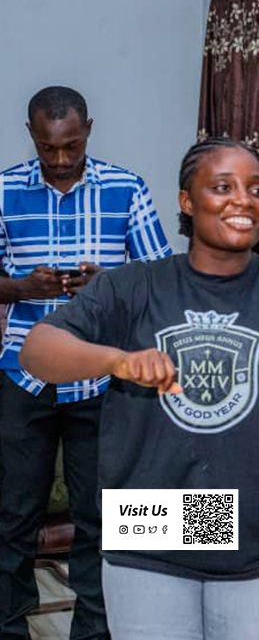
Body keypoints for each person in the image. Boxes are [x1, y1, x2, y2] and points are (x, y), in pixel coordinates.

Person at [19, 138, 259, 640]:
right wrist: (117, 360)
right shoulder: (133, 286)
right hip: (148, 532)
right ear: (186, 201)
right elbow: (37, 348)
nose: (243, 200)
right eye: (222, 187)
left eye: (257, 189)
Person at [0, 86, 172, 640]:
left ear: (89, 130)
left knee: (104, 516)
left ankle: (94, 629)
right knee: (12, 511)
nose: (61, 159)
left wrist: (111, 286)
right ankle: (9, 621)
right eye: (49, 148)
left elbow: (161, 279)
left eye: (71, 145)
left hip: (102, 380)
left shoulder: (127, 188)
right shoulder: (3, 190)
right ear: (31, 135)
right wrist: (19, 286)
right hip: (22, 374)